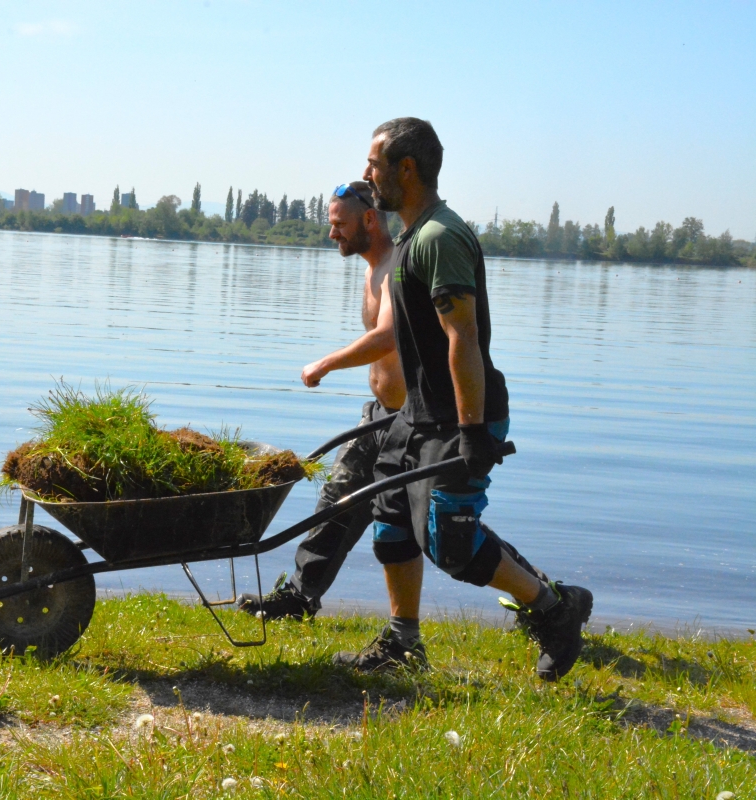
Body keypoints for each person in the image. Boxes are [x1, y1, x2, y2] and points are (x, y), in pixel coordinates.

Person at [330, 117, 592, 682]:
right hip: (420, 413)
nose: (365, 174)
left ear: (406, 168)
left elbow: (462, 337)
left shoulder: (439, 238)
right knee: (392, 524)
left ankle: (555, 608)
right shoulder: (409, 238)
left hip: (460, 415)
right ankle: (403, 643)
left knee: (449, 541)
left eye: (373, 164)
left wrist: (472, 432)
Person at [238, 181, 404, 620]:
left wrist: (326, 363)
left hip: (413, 423)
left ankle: (544, 597)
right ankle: (298, 596)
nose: (333, 235)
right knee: (336, 501)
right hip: (379, 416)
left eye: (339, 225)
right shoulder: (373, 268)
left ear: (369, 219)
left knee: (441, 528)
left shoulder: (397, 266)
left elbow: (387, 337)